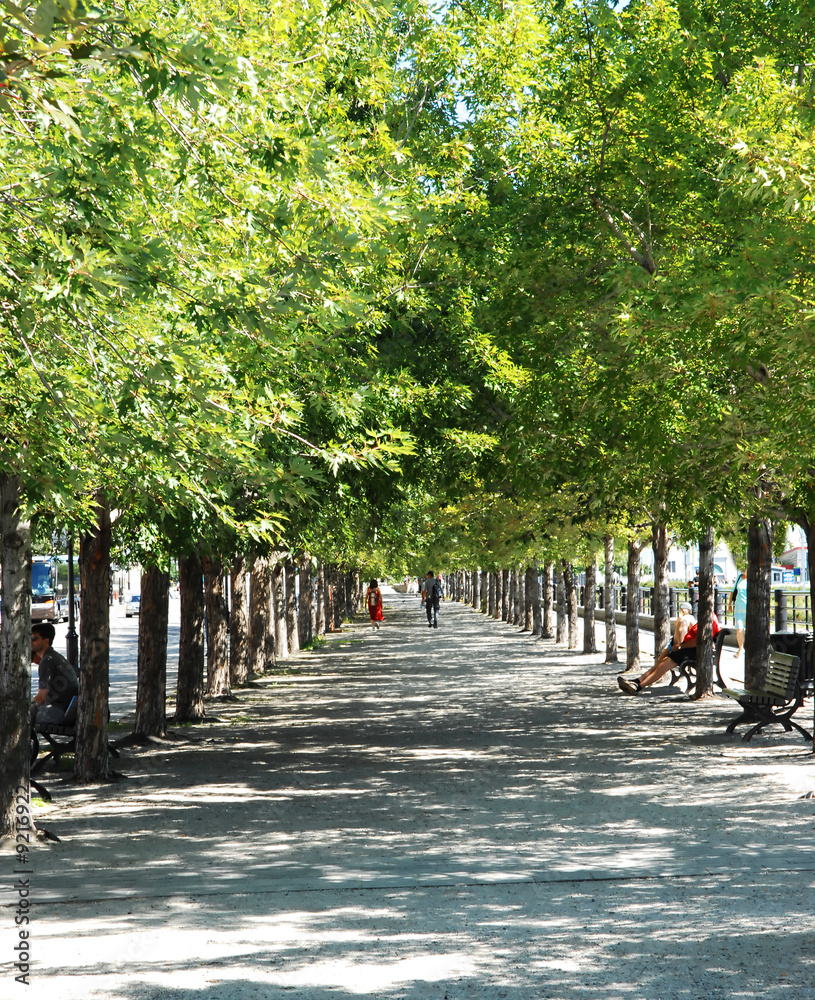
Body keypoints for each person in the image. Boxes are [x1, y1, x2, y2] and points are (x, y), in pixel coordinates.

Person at [619, 604, 720, 694]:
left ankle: (638, 687)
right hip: (689, 649)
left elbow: (698, 641)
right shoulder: (705, 618)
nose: (699, 607)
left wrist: (680, 646)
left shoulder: (709, 620)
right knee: (661, 662)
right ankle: (637, 681)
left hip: (692, 651)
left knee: (663, 665)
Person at [31, 623, 79, 725]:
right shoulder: (55, 657)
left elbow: (41, 698)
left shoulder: (47, 660)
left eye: (34, 639)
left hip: (59, 711)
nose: (31, 642)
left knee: (19, 716)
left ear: (46, 641)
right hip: (67, 710)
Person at [730, 571, 747, 658]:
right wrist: (729, 605)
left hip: (750, 608)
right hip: (739, 607)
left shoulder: (754, 580)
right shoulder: (739, 578)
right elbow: (733, 591)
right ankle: (741, 649)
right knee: (739, 629)